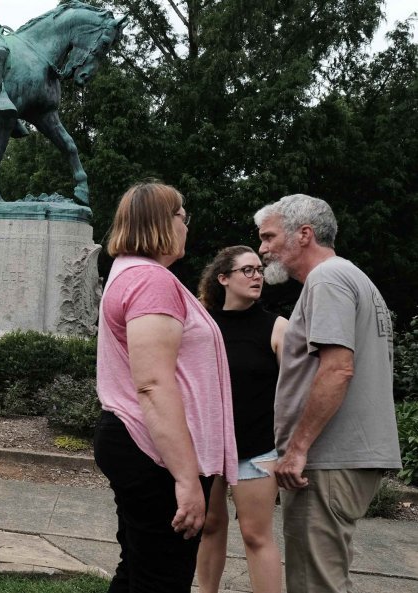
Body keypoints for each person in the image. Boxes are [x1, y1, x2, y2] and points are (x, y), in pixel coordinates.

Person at [95, 182, 238, 592]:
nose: (187, 225)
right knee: (162, 580)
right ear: (162, 222)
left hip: (143, 448)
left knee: (140, 572)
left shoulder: (132, 274)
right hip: (155, 455)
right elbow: (154, 384)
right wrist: (186, 479)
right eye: (182, 216)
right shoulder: (150, 281)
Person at [254, 194, 401, 592]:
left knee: (314, 585)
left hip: (327, 460)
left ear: (304, 234)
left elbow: (338, 369)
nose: (262, 249)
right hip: (344, 458)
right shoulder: (352, 277)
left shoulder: (327, 279)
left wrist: (298, 449)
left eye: (268, 237)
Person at [196, 246, 286, 593]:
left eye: (259, 270)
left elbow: (296, 391)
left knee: (255, 534)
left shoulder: (277, 327)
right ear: (223, 278)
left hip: (258, 447)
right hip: (209, 446)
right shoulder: (204, 325)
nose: (257, 276)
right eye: (247, 270)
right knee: (209, 524)